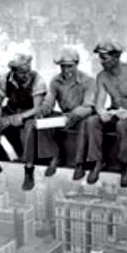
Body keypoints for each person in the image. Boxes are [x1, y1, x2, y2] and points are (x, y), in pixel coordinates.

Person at [0, 52, 48, 190]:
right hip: (12, 109)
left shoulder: (38, 80)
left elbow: (37, 108)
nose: (26, 75)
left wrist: (18, 118)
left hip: (29, 112)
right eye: (21, 72)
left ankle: (29, 169)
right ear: (13, 71)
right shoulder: (5, 79)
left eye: (28, 71)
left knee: (29, 130)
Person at [86, 40, 127, 187]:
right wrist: (102, 112)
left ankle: (125, 166)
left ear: (116, 57)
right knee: (93, 121)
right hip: (116, 111)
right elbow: (99, 101)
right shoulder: (102, 77)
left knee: (122, 125)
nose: (101, 61)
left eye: (104, 58)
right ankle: (98, 161)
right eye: (100, 57)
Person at [39, 47, 96, 180]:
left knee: (84, 124)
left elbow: (89, 105)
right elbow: (49, 100)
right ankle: (55, 156)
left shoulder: (88, 81)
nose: (66, 70)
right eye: (63, 67)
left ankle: (79, 164)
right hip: (65, 116)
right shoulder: (55, 81)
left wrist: (75, 115)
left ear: (76, 64)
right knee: (45, 121)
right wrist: (44, 110)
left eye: (69, 66)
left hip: (81, 115)